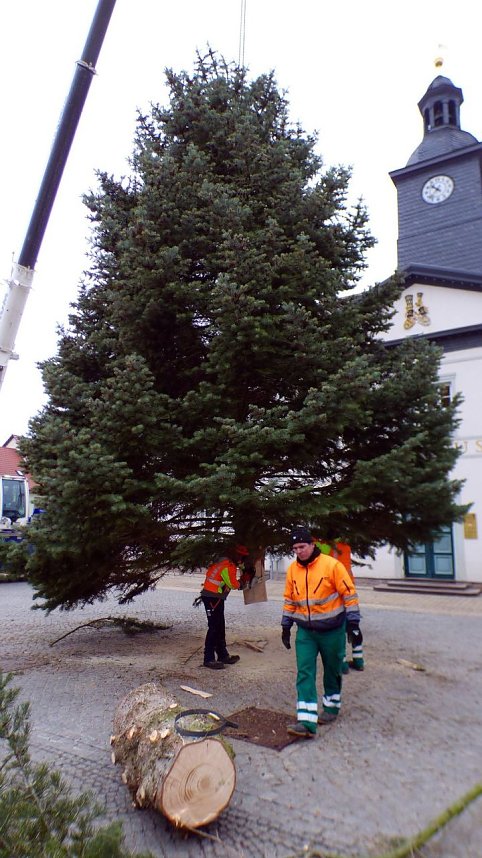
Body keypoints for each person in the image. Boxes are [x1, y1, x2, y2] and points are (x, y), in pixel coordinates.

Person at [281, 526, 362, 738]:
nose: (299, 551)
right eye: (295, 548)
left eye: (302, 546)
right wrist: (285, 624)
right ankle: (307, 722)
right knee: (304, 672)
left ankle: (332, 706)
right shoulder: (292, 570)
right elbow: (290, 599)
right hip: (305, 632)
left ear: (312, 544)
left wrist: (353, 622)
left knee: (332, 669)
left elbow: (349, 594)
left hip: (332, 630)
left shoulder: (331, 566)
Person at [200, 544, 252, 670]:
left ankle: (223, 655)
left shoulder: (224, 561)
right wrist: (244, 581)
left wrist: (245, 570)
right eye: (241, 557)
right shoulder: (228, 566)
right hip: (213, 597)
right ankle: (208, 658)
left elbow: (238, 568)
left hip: (216, 596)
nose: (242, 559)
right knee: (213, 628)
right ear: (236, 555)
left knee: (220, 626)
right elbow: (233, 584)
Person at [317, 540, 365, 673]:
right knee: (353, 624)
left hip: (334, 591)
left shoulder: (322, 542)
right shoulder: (346, 541)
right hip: (349, 587)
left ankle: (342, 664)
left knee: (338, 628)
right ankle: (359, 660)